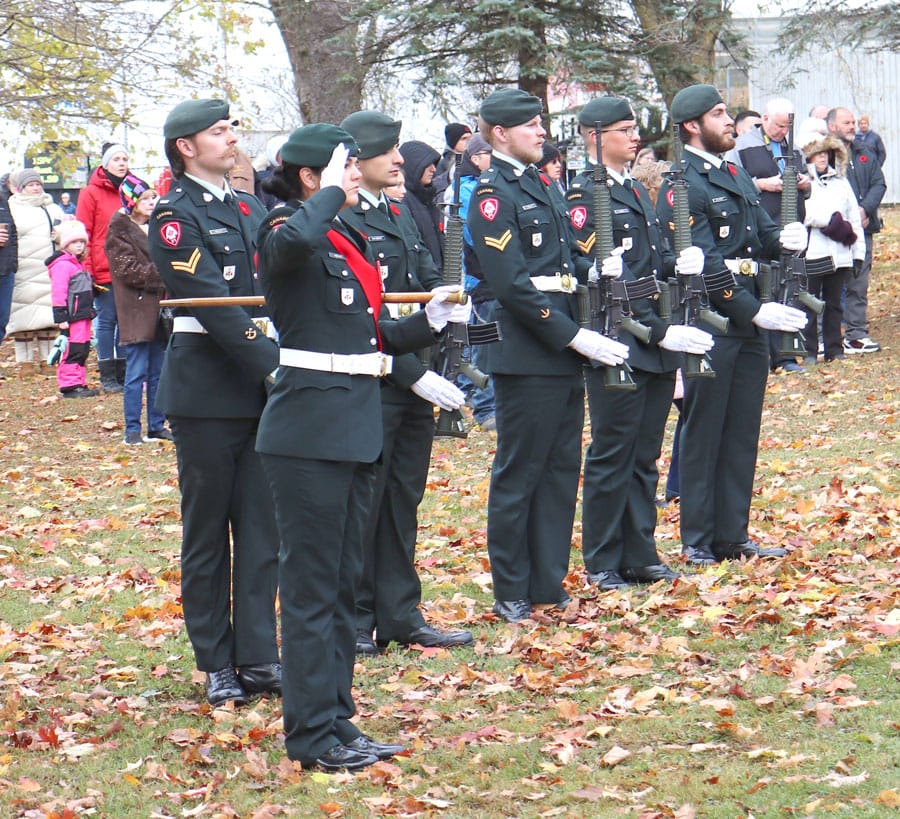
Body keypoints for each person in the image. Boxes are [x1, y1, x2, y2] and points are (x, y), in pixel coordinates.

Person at [255, 124, 469, 771]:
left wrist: (425, 322)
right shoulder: (286, 227)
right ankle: (310, 732)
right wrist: (331, 191)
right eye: (344, 168)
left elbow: (365, 331)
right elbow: (292, 243)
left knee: (344, 586)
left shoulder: (345, 235)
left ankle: (337, 716)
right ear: (312, 178)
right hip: (308, 432)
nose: (357, 177)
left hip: (354, 426)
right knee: (312, 588)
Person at [466, 88, 629, 622]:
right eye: (531, 125)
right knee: (521, 471)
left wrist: (593, 271)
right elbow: (511, 283)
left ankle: (547, 580)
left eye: (541, 123)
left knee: (561, 469)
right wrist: (570, 335)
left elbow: (559, 263)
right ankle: (512, 587)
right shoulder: (493, 194)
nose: (541, 132)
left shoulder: (542, 184)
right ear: (500, 134)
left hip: (561, 347)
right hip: (527, 347)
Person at [147, 99, 281, 707]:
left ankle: (257, 655)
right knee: (208, 532)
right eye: (219, 131)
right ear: (186, 146)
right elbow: (210, 301)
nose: (232, 139)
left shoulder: (251, 206)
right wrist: (278, 364)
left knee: (261, 529)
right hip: (207, 391)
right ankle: (214, 660)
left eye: (231, 129)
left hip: (257, 391)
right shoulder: (175, 215)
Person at [655, 84, 809, 566]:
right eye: (718, 114)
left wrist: (784, 237)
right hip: (712, 319)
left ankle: (732, 534)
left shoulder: (734, 172)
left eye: (726, 112)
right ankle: (698, 538)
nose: (729, 121)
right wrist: (751, 310)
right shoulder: (683, 184)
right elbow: (703, 261)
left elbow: (757, 235)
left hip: (746, 320)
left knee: (741, 429)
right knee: (705, 432)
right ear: (691, 127)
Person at [565, 96, 714, 590]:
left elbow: (649, 266)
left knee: (645, 452)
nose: (634, 136)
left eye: (634, 128)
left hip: (653, 335)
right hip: (619, 337)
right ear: (594, 136)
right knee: (613, 452)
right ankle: (603, 558)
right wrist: (655, 327)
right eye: (624, 129)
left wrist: (680, 263)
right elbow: (610, 278)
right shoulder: (586, 195)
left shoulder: (634, 188)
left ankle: (640, 550)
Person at [338, 109, 471, 655]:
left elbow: (418, 289)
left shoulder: (398, 213)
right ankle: (354, 618)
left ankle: (398, 612)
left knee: (401, 501)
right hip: (376, 381)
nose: (399, 160)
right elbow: (360, 322)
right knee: (361, 510)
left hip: (413, 381)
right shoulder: (347, 221)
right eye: (386, 151)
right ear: (355, 161)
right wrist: (413, 373)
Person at [728, 97, 811, 374]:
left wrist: (804, 182)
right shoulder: (742, 147)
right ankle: (767, 355)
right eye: (778, 126)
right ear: (764, 119)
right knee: (767, 291)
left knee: (792, 289)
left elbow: (809, 184)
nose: (782, 132)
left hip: (792, 229)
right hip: (763, 231)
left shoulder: (793, 148)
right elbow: (731, 183)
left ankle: (787, 355)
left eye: (786, 127)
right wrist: (762, 184)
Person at [105, 174, 171, 444]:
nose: (151, 202)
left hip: (159, 308)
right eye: (145, 198)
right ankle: (132, 429)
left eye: (152, 197)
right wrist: (165, 274)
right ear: (132, 202)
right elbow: (127, 270)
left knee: (158, 370)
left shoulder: (156, 227)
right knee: (136, 371)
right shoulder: (118, 232)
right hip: (136, 309)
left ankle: (156, 424)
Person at [800, 133, 865, 363]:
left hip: (841, 254)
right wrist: (830, 222)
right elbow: (803, 214)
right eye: (817, 153)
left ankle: (834, 350)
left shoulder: (841, 182)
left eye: (825, 153)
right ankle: (808, 350)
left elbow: (853, 219)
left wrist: (858, 254)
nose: (822, 158)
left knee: (835, 305)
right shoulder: (804, 183)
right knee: (809, 304)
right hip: (813, 252)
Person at [827, 107, 886, 355]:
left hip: (863, 229)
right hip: (832, 232)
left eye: (853, 122)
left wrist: (864, 210)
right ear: (832, 126)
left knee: (858, 283)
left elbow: (879, 183)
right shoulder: (824, 155)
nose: (852, 126)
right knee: (828, 286)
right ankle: (824, 337)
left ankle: (856, 335)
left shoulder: (864, 153)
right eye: (846, 122)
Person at [76, 143, 130, 392]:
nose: (122, 163)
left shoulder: (129, 191)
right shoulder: (90, 192)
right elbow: (83, 231)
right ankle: (107, 375)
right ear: (105, 163)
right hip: (102, 265)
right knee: (107, 321)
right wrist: (86, 268)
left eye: (125, 159)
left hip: (128, 264)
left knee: (125, 320)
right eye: (116, 159)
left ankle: (123, 372)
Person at [458, 133, 497, 429]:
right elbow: (474, 232)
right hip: (479, 276)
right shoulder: (467, 189)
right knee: (484, 343)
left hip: (492, 275)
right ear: (475, 158)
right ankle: (485, 409)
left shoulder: (488, 185)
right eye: (488, 153)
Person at [7, 169, 64, 366]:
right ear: (21, 188)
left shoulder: (52, 208)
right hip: (23, 270)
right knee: (23, 318)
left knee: (48, 318)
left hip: (49, 269)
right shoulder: (12, 208)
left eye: (38, 184)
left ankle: (48, 360)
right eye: (30, 185)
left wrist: (61, 235)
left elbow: (66, 233)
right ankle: (25, 363)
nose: (35, 188)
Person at [45, 220, 99, 398]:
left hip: (83, 314)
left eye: (82, 242)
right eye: (75, 242)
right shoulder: (63, 265)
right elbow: (59, 292)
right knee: (72, 348)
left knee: (82, 347)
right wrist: (61, 317)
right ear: (66, 243)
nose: (79, 245)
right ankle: (69, 385)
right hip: (72, 316)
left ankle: (79, 381)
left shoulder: (77, 263)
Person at [398, 140, 444, 268]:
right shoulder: (404, 200)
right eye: (428, 165)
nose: (433, 169)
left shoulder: (428, 198)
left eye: (434, 165)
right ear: (414, 166)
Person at [0, 180, 18, 343]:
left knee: (2, 321)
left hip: (5, 270)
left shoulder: (3, 200)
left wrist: (13, 265)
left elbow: (12, 233)